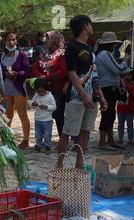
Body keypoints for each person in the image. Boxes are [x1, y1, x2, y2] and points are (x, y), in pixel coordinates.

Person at [57, 15, 107, 169]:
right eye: (90, 24)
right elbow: (72, 74)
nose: (92, 27)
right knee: (68, 131)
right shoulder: (72, 47)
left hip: (92, 97)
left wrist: (101, 96)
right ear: (85, 26)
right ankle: (60, 165)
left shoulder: (90, 48)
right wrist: (84, 96)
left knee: (85, 131)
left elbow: (94, 74)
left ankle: (80, 164)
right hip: (76, 97)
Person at [96, 32, 128, 150]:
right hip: (107, 87)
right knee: (107, 114)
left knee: (110, 113)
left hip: (107, 86)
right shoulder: (105, 54)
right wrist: (126, 61)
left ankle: (110, 140)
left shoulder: (102, 54)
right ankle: (102, 142)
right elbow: (117, 69)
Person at [32, 31, 68, 137]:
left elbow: (63, 71)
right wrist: (41, 76)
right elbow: (35, 68)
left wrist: (47, 77)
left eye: (48, 38)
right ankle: (44, 138)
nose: (45, 41)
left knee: (58, 114)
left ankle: (63, 138)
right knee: (43, 113)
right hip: (44, 89)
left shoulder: (61, 54)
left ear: (54, 41)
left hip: (57, 89)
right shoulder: (43, 53)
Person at [0, 32, 31, 149]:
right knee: (7, 115)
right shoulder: (0, 56)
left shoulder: (22, 55)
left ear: (16, 41)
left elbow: (27, 71)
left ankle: (26, 140)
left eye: (13, 40)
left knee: (23, 114)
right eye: (9, 40)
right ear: (5, 41)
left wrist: (16, 74)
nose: (11, 42)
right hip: (6, 90)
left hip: (18, 89)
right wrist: (5, 73)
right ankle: (7, 138)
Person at [31, 78, 56, 153]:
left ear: (46, 89)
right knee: (38, 134)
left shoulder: (50, 96)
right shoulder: (36, 95)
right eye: (38, 91)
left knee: (47, 135)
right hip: (38, 119)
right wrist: (33, 104)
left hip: (47, 120)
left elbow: (54, 107)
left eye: (42, 91)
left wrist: (47, 107)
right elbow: (32, 102)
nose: (40, 93)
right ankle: (39, 145)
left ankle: (47, 146)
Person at [117, 68, 134, 145]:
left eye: (129, 75)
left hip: (130, 109)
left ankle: (130, 139)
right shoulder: (120, 84)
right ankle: (120, 138)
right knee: (120, 124)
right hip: (120, 108)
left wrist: (129, 89)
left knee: (130, 125)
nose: (127, 77)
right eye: (125, 75)